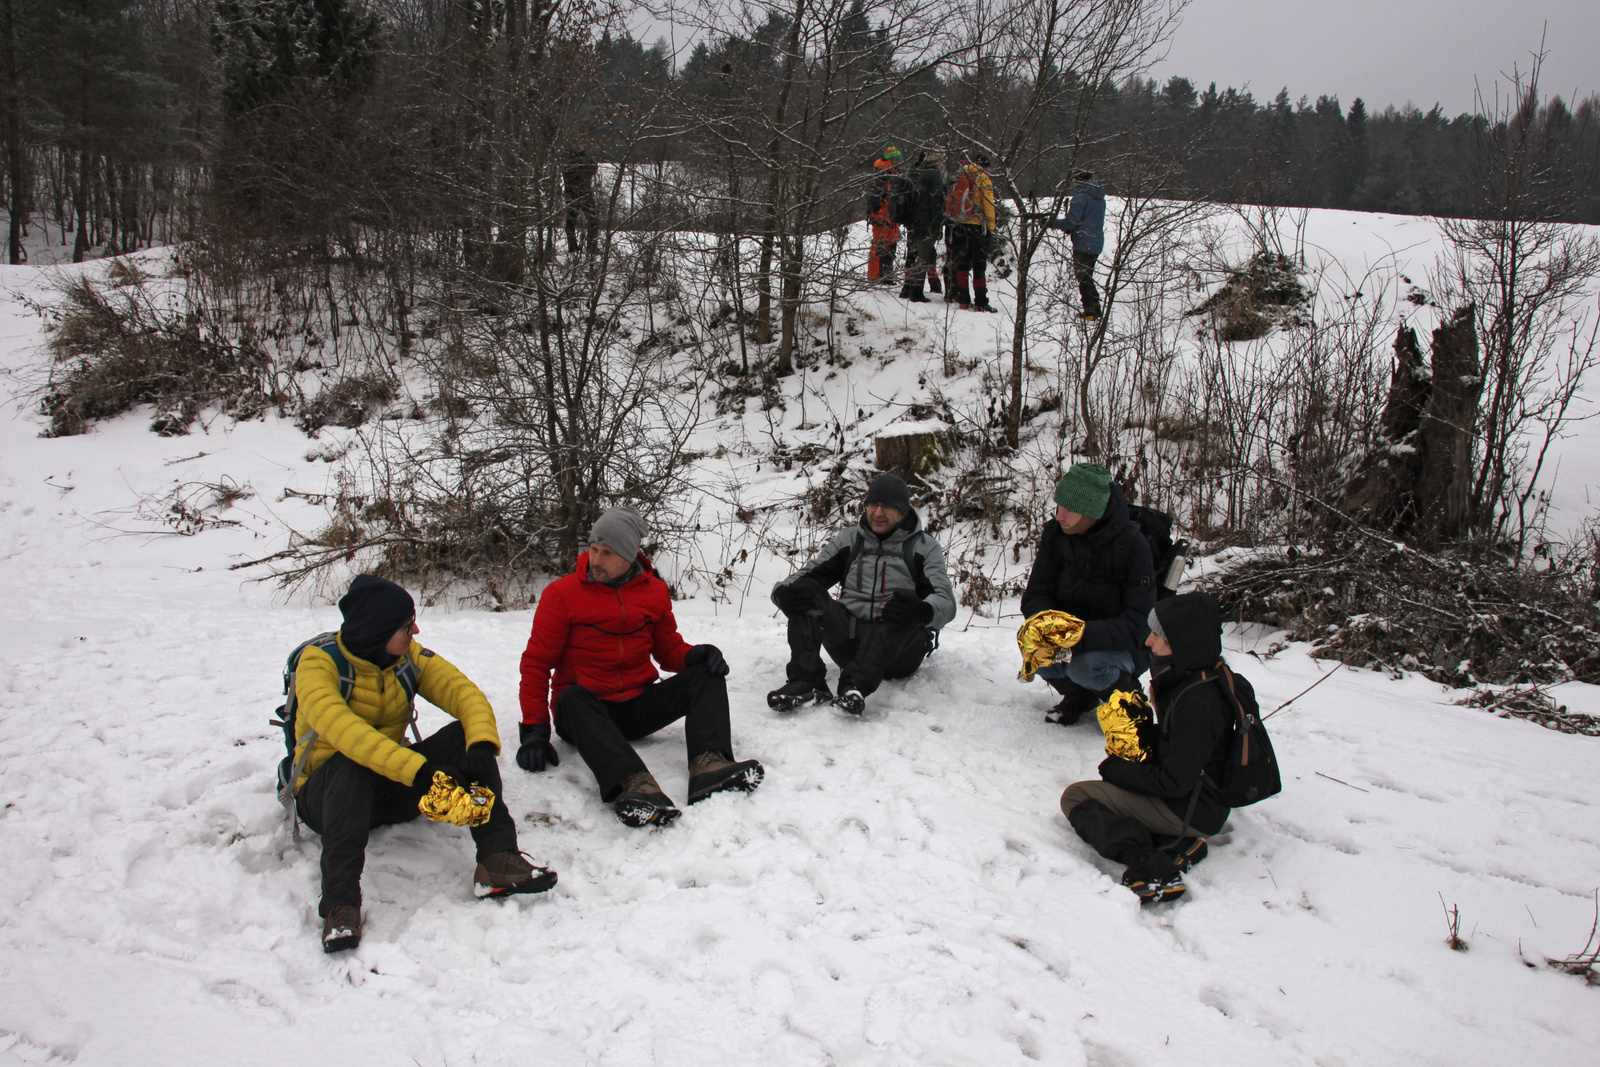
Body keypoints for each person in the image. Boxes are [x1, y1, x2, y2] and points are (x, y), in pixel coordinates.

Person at [290, 575, 557, 954]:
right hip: (327, 799)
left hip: (389, 786)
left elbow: (465, 694)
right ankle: (340, 905)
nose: (415, 631)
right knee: (350, 763)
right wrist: (418, 771)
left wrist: (481, 746)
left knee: (465, 735)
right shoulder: (318, 665)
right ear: (377, 632)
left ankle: (498, 858)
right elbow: (347, 733)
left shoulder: (407, 657)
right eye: (406, 626)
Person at [516, 507, 764, 828]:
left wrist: (697, 655)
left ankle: (710, 767)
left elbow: (668, 651)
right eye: (594, 549)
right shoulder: (562, 595)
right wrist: (535, 732)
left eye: (607, 553)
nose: (596, 559)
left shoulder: (653, 592)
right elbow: (536, 663)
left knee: (707, 673)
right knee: (571, 698)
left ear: (629, 555)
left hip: (635, 707)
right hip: (584, 715)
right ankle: (635, 786)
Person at [1059, 592, 1250, 904]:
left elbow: (1174, 782)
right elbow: (1185, 749)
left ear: (1181, 641)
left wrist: (1116, 770)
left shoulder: (1197, 701)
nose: (1148, 641)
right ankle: (1178, 842)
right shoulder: (1204, 676)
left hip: (1193, 809)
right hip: (1203, 797)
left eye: (1158, 635)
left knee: (1076, 797)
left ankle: (1152, 861)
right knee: (1117, 779)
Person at [767, 473, 957, 716]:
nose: (878, 513)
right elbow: (809, 574)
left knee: (903, 607)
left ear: (903, 511)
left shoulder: (924, 547)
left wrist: (923, 610)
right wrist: (782, 593)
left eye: (888, 507)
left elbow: (946, 602)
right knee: (805, 593)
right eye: (873, 505)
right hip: (850, 643)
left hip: (899, 652)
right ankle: (807, 682)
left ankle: (854, 687)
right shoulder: (850, 540)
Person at [1020, 463, 1154, 724]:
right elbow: (1036, 593)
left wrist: (1078, 635)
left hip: (1123, 646)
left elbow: (1139, 623)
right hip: (1070, 639)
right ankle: (1081, 695)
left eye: (1069, 510)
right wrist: (1047, 626)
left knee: (1084, 666)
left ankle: (1129, 702)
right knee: (1036, 652)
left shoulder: (1133, 546)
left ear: (1092, 512)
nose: (1060, 516)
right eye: (1059, 506)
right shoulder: (1056, 535)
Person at [943, 151, 997, 311]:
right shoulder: (983, 179)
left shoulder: (962, 174)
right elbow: (989, 205)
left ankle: (963, 300)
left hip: (958, 225)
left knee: (962, 264)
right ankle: (981, 302)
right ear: (985, 166)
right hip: (976, 227)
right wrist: (991, 227)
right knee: (979, 265)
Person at [1048, 170, 1105, 320]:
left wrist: (1052, 223)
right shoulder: (1099, 197)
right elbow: (1088, 219)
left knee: (1083, 278)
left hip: (1083, 242)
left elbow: (1071, 222)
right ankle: (1095, 308)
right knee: (1087, 276)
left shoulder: (1080, 197)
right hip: (1096, 242)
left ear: (1078, 181)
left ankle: (1091, 311)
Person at [898, 148, 947, 303]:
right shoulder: (934, 175)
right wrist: (938, 223)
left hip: (912, 220)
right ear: (936, 161)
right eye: (941, 160)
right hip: (926, 221)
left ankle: (907, 287)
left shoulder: (914, 171)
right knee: (923, 255)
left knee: (912, 253)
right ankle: (916, 292)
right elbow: (938, 202)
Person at [864, 145, 903, 283]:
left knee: (890, 247)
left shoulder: (890, 174)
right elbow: (875, 200)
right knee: (880, 247)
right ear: (891, 160)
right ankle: (876, 276)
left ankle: (886, 276)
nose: (899, 162)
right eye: (896, 159)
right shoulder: (882, 175)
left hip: (890, 218)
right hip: (883, 218)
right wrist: (880, 217)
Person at [563, 147, 600, 255]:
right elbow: (593, 169)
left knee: (571, 221)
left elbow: (593, 169)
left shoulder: (567, 159)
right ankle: (591, 247)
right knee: (593, 220)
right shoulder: (585, 160)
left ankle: (573, 247)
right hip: (584, 193)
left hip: (571, 194)